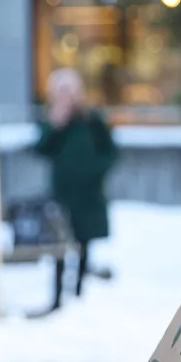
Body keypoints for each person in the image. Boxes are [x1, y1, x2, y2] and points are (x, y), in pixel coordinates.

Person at [34, 67, 117, 311]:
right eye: (60, 90)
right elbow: (40, 149)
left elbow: (110, 152)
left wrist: (96, 170)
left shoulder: (92, 120)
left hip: (89, 194)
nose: (65, 95)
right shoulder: (54, 122)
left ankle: (79, 295)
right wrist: (54, 125)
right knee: (58, 245)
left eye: (69, 89)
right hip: (62, 195)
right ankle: (58, 298)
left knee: (83, 243)